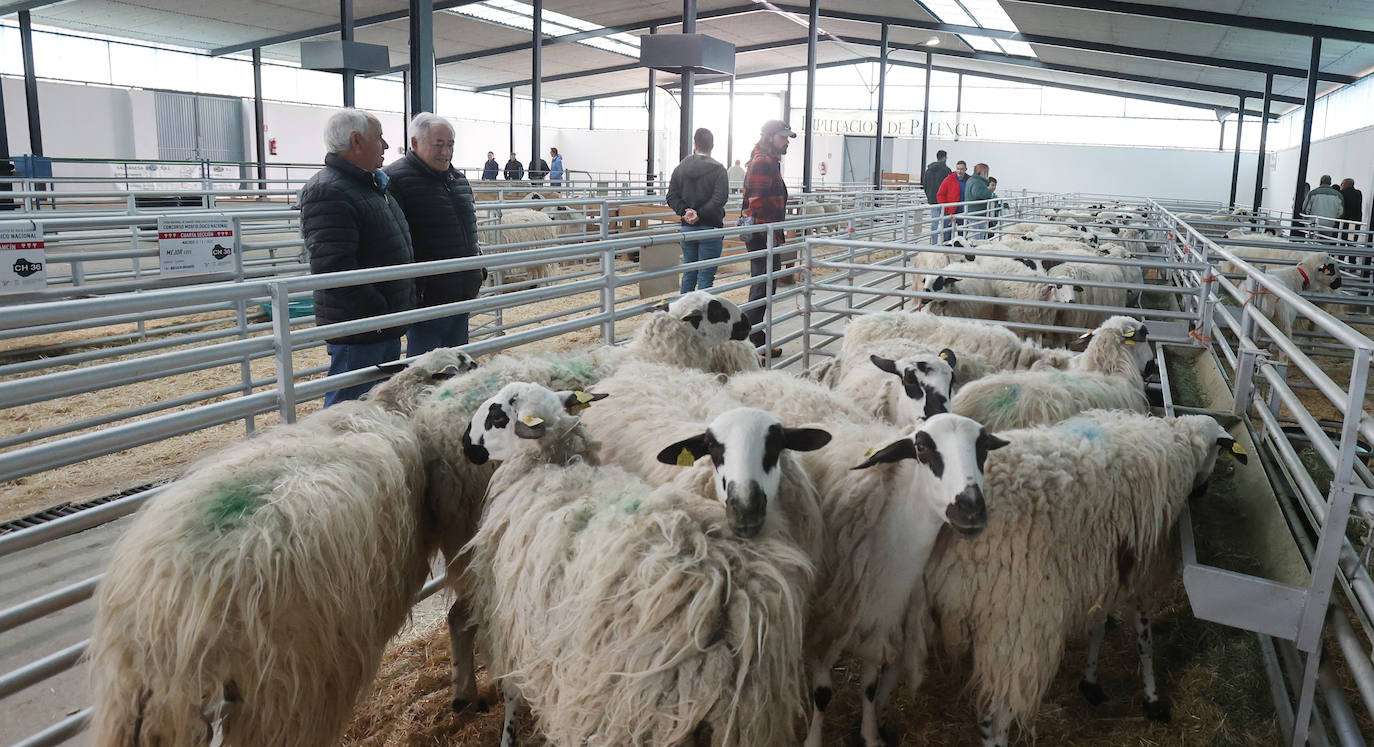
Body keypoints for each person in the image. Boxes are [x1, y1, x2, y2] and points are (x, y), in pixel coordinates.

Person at [299, 108, 415, 407]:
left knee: (377, 403)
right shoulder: (328, 191)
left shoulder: (371, 185)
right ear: (356, 142)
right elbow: (333, 266)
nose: (386, 145)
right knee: (348, 407)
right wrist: (379, 309)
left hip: (382, 322)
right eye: (379, 138)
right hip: (362, 327)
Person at [385, 112, 485, 357]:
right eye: (438, 144)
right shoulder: (395, 180)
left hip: (461, 290)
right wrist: (413, 287)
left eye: (450, 144)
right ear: (415, 143)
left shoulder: (457, 179)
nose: (446, 152)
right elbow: (395, 240)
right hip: (426, 295)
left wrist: (477, 267)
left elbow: (468, 230)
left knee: (458, 362)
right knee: (427, 366)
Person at [741, 119, 795, 358]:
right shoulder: (763, 161)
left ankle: (757, 339)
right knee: (762, 287)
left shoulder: (767, 160)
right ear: (771, 136)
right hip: (764, 233)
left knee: (765, 286)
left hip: (768, 232)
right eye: (783, 138)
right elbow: (756, 202)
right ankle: (751, 343)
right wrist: (771, 232)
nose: (786, 143)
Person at [666, 127, 729, 294]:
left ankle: (684, 315)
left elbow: (671, 196)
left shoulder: (680, 168)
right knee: (705, 277)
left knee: (689, 273)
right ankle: (702, 316)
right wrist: (699, 213)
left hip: (687, 228)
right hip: (710, 227)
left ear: (695, 144)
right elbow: (720, 198)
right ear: (712, 145)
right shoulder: (719, 170)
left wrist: (686, 211)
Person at [1303, 175, 1345, 241]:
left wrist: (1307, 219)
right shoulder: (1338, 195)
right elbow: (1341, 212)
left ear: (1320, 182)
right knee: (1325, 244)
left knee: (1312, 243)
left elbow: (1306, 210)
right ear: (1330, 183)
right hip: (1329, 225)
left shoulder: (1313, 193)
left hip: (1314, 224)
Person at [921, 150, 952, 238]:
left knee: (934, 223)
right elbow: (950, 185)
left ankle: (933, 244)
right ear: (945, 157)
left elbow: (925, 184)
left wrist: (929, 196)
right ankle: (945, 243)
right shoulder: (947, 170)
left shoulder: (928, 171)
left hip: (932, 201)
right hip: (944, 201)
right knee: (945, 223)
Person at [936, 160, 969, 243]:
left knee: (963, 236)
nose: (959, 171)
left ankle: (961, 253)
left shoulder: (969, 180)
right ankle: (946, 253)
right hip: (950, 212)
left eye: (962, 169)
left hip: (963, 212)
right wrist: (946, 209)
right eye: (958, 169)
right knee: (947, 235)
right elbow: (940, 194)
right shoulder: (948, 179)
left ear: (966, 169)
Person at [964, 164, 993, 239]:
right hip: (977, 212)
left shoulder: (972, 180)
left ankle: (976, 247)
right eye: (986, 172)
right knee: (977, 234)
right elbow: (977, 194)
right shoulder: (978, 182)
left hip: (973, 211)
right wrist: (989, 190)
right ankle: (976, 248)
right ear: (982, 172)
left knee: (976, 233)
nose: (987, 174)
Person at [1341, 178, 1364, 244]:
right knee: (1351, 241)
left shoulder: (1342, 193)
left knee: (1342, 240)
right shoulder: (1358, 193)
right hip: (1354, 221)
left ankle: (1341, 254)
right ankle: (1351, 253)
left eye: (1342, 184)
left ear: (1345, 184)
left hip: (1345, 221)